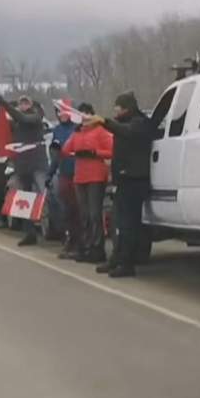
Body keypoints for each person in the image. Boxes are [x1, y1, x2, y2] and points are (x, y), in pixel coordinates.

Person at [96, 92, 155, 277]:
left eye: (118, 107)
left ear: (127, 108)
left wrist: (104, 121)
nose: (116, 110)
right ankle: (117, 258)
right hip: (124, 180)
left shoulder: (139, 123)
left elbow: (126, 132)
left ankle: (127, 263)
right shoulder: (125, 124)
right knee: (119, 223)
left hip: (134, 181)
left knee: (129, 225)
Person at [62, 104, 115, 264]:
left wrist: (95, 153)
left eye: (86, 115)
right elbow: (66, 149)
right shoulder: (77, 132)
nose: (84, 118)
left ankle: (97, 248)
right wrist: (75, 133)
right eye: (81, 115)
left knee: (94, 214)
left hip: (96, 176)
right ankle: (86, 246)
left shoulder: (100, 131)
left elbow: (112, 150)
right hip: (80, 177)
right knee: (84, 214)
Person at [0, 93, 48, 246]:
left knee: (43, 195)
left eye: (26, 103)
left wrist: (5, 104)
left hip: (38, 164)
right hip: (22, 164)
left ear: (31, 104)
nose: (24, 106)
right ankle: (29, 232)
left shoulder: (35, 117)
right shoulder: (16, 121)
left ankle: (53, 228)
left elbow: (22, 118)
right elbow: (3, 123)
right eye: (21, 103)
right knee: (24, 200)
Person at [47, 101, 82, 259]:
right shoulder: (57, 131)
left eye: (64, 112)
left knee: (78, 210)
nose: (62, 115)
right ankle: (70, 240)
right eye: (59, 113)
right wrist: (50, 173)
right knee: (67, 210)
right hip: (64, 174)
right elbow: (55, 155)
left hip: (78, 173)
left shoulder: (77, 129)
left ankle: (80, 244)